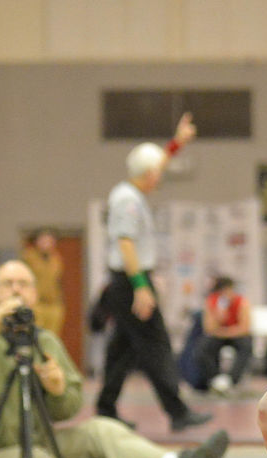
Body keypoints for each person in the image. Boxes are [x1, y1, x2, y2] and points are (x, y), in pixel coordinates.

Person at [0, 261, 229, 458]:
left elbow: (67, 409)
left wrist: (57, 389)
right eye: (7, 284)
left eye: (23, 283)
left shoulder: (43, 341)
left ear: (34, 294)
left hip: (38, 445)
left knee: (103, 430)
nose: (16, 290)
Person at [96, 112, 212, 432]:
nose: (160, 177)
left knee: (122, 348)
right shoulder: (127, 201)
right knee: (155, 344)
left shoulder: (130, 192)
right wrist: (141, 286)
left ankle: (105, 407)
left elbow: (155, 161)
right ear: (147, 174)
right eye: (157, 172)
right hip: (132, 280)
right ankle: (177, 411)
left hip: (128, 280)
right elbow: (126, 244)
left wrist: (177, 143)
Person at [198, 275, 253, 396]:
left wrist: (227, 331)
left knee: (246, 345)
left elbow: (245, 328)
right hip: (219, 335)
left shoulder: (241, 302)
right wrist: (219, 317)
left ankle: (230, 380)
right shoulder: (211, 301)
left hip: (236, 335)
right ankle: (216, 380)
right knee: (202, 348)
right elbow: (209, 328)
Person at [22, 228, 65, 336]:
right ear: (36, 241)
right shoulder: (29, 257)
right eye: (43, 240)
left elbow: (58, 281)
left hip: (53, 304)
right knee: (36, 335)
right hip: (36, 303)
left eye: (49, 241)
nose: (46, 244)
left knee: (52, 337)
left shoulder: (56, 259)